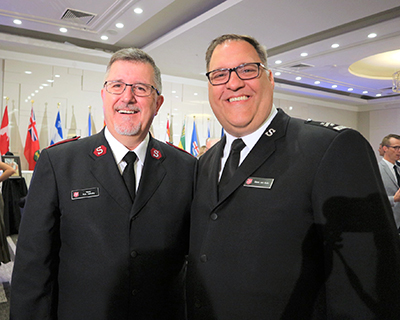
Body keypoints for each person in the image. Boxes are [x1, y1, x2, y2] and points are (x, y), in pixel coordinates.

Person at [186, 34, 400, 319]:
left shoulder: (329, 147)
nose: (233, 82)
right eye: (219, 74)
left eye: (247, 69)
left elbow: (370, 276)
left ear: (270, 78)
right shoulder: (206, 162)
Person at [10, 48, 196, 319]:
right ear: (103, 95)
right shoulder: (59, 163)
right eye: (117, 85)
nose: (127, 97)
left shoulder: (186, 168)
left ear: (158, 103)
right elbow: (32, 267)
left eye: (141, 88)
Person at [378, 134, 400, 230]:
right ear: (385, 148)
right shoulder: (377, 170)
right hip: (389, 222)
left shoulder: (399, 169)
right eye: (395, 147)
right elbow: (374, 199)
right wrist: (394, 199)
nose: (399, 151)